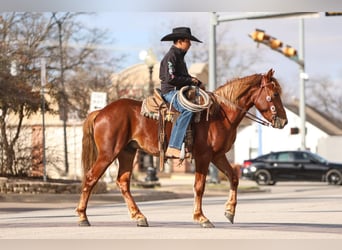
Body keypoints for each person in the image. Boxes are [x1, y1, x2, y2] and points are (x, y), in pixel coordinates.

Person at [159, 27, 203, 158]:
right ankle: (173, 146)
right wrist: (190, 80)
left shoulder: (179, 57)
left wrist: (195, 82)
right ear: (180, 41)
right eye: (188, 41)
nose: (190, 44)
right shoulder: (171, 56)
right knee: (188, 109)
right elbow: (170, 78)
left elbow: (183, 76)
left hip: (179, 91)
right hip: (170, 92)